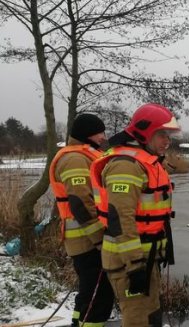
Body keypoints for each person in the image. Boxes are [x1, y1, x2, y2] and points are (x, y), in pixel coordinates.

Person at [90, 103, 180, 326]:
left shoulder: (146, 162)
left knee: (151, 313)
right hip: (130, 261)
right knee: (137, 318)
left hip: (146, 257)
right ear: (145, 133)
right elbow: (121, 218)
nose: (167, 141)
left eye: (168, 135)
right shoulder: (125, 166)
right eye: (161, 135)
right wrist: (135, 265)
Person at [49, 113, 115, 327]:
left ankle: (78, 323)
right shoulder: (75, 159)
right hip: (87, 241)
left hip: (87, 240)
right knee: (99, 298)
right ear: (88, 134)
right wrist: (100, 239)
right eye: (100, 133)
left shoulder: (86, 155)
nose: (103, 138)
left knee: (88, 295)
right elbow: (80, 203)